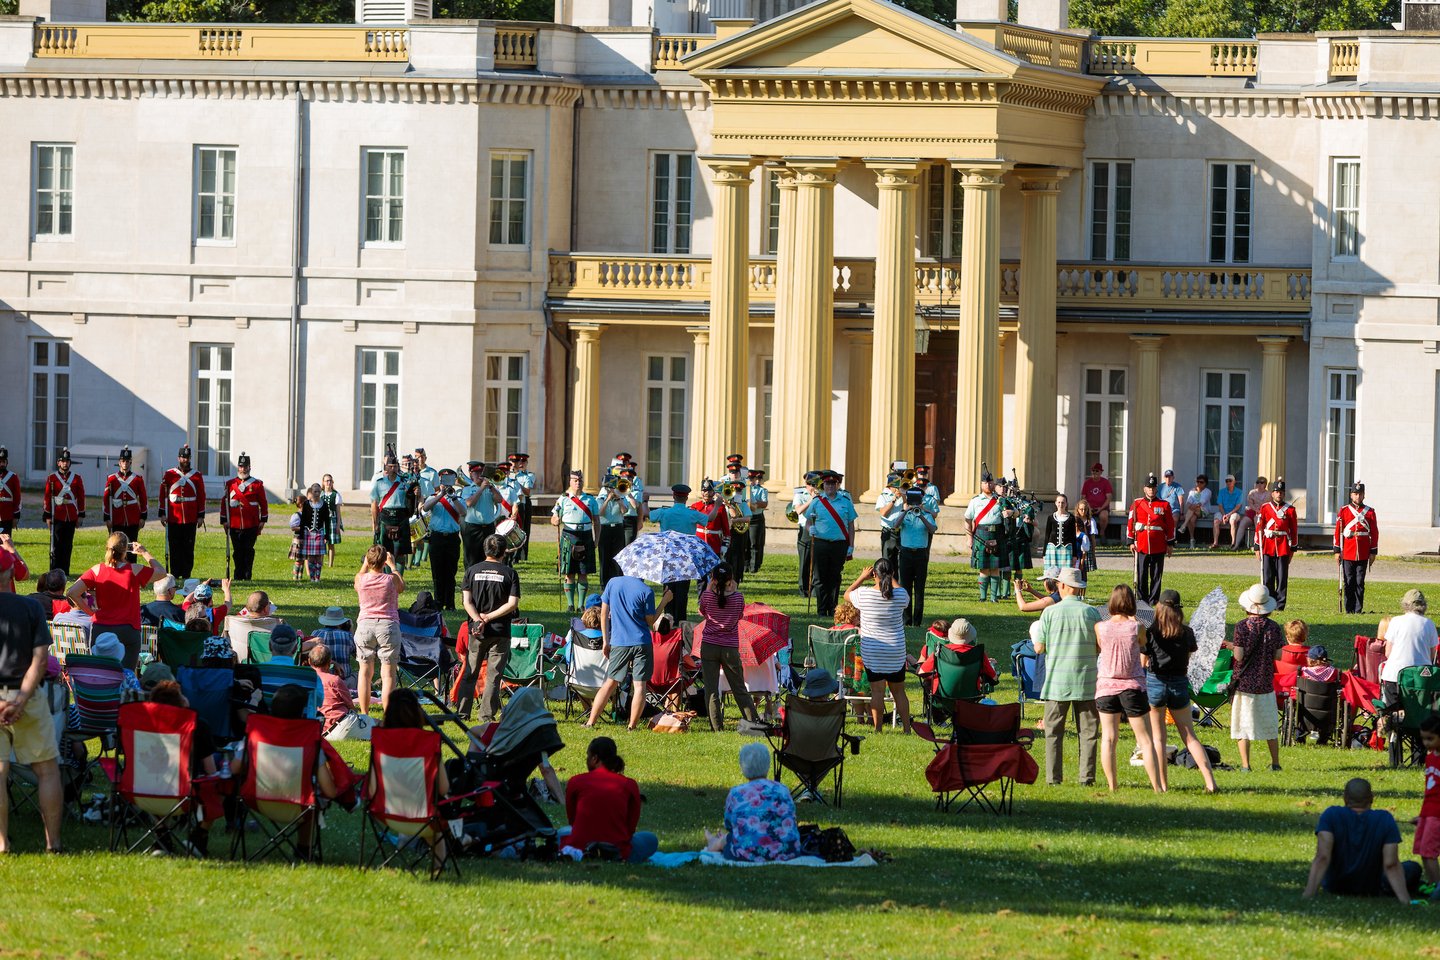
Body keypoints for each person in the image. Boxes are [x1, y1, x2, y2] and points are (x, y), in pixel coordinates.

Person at [0, 557, 62, 854]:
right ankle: (53, 843)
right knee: (47, 770)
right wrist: (21, 699)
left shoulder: (30, 606)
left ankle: (2, 843)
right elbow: (40, 660)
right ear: (11, 572)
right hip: (29, 697)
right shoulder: (30, 607)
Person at [1141, 589, 1217, 793]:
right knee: (1189, 736)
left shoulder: (1151, 632)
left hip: (1156, 682)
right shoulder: (1187, 632)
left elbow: (1144, 660)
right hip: (1179, 683)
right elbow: (1190, 654)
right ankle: (1210, 782)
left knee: (1158, 738)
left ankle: (1162, 786)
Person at [1303, 778, 1421, 904]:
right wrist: (1405, 900)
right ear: (1371, 798)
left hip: (1335, 886)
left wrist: (1308, 894)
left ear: (1345, 798)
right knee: (1413, 867)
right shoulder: (1384, 819)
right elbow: (1391, 864)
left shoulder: (1330, 815)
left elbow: (1322, 857)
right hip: (1371, 887)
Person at [1034, 568, 1102, 786]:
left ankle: (1053, 779)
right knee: (1089, 732)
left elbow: (1039, 647)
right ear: (1079, 588)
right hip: (1086, 680)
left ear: (1062, 586)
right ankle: (1087, 778)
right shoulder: (1092, 613)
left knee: (1053, 732)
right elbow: (1100, 647)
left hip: (1057, 681)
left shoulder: (1050, 613)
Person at [1095, 584, 1162, 793]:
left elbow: (1099, 647)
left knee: (1108, 737)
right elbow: (1142, 643)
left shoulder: (1100, 626)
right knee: (1145, 739)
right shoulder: (1137, 627)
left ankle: (1112, 785)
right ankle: (1157, 786)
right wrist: (1133, 622)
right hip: (1132, 684)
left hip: (1106, 684)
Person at [67, 532, 166, 671]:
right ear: (125, 550)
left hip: (101, 628)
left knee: (101, 673)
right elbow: (161, 572)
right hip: (128, 629)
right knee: (126, 674)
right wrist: (144, 553)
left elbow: (72, 592)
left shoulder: (97, 570)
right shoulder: (134, 570)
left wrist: (90, 612)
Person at [144, 679, 222, 855]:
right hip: (186, 796)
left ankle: (162, 835)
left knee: (154, 780)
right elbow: (211, 771)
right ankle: (199, 836)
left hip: (145, 792)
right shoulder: (197, 725)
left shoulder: (144, 726)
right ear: (181, 703)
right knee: (220, 784)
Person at [586, 575, 670, 731]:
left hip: (619, 642)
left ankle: (591, 722)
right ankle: (632, 726)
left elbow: (604, 613)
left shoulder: (612, 582)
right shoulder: (647, 591)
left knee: (610, 683)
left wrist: (606, 640)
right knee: (639, 686)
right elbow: (650, 622)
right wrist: (664, 601)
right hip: (641, 642)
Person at [457, 534, 521, 724]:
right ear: (504, 552)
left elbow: (466, 601)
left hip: (477, 630)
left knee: (470, 671)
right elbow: (513, 604)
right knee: (494, 675)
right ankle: (486, 715)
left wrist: (478, 619)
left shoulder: (472, 571)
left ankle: (462, 712)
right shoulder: (510, 573)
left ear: (485, 550)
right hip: (500, 631)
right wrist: (490, 617)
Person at [561, 736, 657, 863]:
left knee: (561, 832)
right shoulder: (629, 784)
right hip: (617, 850)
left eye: (588, 756)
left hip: (580, 847)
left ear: (594, 758)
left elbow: (572, 821)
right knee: (650, 839)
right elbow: (630, 828)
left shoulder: (575, 781)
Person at [843, 558, 911, 733]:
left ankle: (878, 729)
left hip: (872, 650)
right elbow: (900, 590)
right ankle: (907, 729)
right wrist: (892, 576)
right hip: (895, 651)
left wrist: (861, 577)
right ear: (893, 573)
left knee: (877, 692)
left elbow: (846, 594)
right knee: (899, 693)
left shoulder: (864, 594)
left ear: (874, 574)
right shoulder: (901, 595)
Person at [704, 741, 800, 863]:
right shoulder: (782, 789)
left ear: (743, 767)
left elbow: (729, 824)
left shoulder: (737, 793)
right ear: (767, 765)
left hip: (748, 854)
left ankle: (714, 843)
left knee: (728, 840)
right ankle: (718, 841)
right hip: (788, 851)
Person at [1223, 583, 1285, 772]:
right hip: (1265, 681)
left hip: (1245, 683)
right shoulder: (1274, 627)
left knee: (1243, 726)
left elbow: (1240, 656)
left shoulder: (1242, 626)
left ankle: (1245, 765)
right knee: (1270, 725)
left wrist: (1231, 646)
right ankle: (1275, 763)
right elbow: (1279, 656)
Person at [696, 564, 758, 733]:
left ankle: (716, 727)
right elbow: (739, 616)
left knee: (711, 689)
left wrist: (709, 586)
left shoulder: (707, 596)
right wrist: (735, 589)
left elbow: (702, 610)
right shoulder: (738, 598)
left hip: (709, 646)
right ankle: (752, 722)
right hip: (730, 648)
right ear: (731, 580)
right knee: (739, 688)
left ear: (714, 579)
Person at [354, 545, 404, 714]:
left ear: (368, 561)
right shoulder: (391, 579)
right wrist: (393, 566)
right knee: (388, 674)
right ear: (384, 561)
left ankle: (364, 713)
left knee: (364, 673)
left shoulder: (361, 579)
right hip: (388, 625)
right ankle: (388, 714)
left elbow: (359, 577)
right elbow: (401, 587)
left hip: (365, 626)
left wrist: (366, 563)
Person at [647, 484, 707, 623]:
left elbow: (649, 515)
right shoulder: (692, 513)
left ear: (673, 496)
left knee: (668, 589)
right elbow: (708, 519)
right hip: (685, 558)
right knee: (682, 591)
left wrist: (644, 501)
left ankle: (668, 619)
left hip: (667, 556)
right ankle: (681, 620)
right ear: (686, 498)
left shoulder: (664, 512)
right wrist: (716, 505)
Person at [802, 471, 855, 618]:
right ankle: (821, 609)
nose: (830, 486)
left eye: (833, 484)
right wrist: (809, 529)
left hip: (839, 544)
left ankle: (833, 609)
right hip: (820, 543)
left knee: (834, 577)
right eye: (827, 484)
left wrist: (851, 545)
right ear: (823, 485)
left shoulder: (845, 501)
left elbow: (851, 525)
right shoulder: (817, 501)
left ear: (837, 485)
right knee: (819, 578)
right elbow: (807, 522)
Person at [552, 471, 600, 615]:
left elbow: (597, 522)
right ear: (570, 481)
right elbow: (554, 517)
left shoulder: (591, 500)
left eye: (580, 480)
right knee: (569, 572)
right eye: (575, 480)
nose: (578, 482)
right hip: (568, 536)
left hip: (585, 535)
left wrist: (596, 540)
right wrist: (555, 520)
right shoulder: (562, 499)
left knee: (583, 572)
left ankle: (581, 605)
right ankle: (570, 604)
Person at [1380, 589, 1438, 708]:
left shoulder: (1396, 621)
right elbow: (1432, 655)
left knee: (1393, 713)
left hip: (1394, 675)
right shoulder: (1429, 624)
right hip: (1420, 678)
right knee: (1417, 714)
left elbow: (1388, 652)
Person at [157, 444, 205, 581]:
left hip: (190, 517)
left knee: (188, 547)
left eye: (187, 457)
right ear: (178, 458)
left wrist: (200, 515)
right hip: (174, 517)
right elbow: (163, 495)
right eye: (183, 457)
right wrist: (162, 513)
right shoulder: (169, 474)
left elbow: (201, 496)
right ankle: (175, 573)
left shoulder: (196, 476)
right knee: (174, 546)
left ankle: (186, 574)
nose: (185, 460)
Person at [1126, 473, 1175, 606]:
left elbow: (1170, 525)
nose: (1151, 490)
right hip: (1141, 544)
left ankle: (1153, 600)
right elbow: (1131, 522)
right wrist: (1130, 541)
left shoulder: (1164, 505)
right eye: (1149, 487)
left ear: (1156, 489)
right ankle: (1142, 600)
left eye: (1153, 488)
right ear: (1144, 489)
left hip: (1158, 545)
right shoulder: (1137, 504)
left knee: (1156, 575)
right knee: (1141, 574)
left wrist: (1170, 543)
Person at [220, 452, 267, 581]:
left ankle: (247, 575)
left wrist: (263, 519)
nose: (243, 469)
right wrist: (224, 520)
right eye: (241, 466)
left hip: (251, 524)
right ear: (238, 468)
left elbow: (263, 503)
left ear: (249, 467)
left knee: (248, 550)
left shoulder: (257, 484)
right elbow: (224, 503)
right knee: (237, 552)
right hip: (234, 524)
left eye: (245, 466)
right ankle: (238, 574)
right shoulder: (230, 484)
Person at [1334, 481, 1378, 614]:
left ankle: (1358, 609)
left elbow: (1374, 533)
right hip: (1348, 551)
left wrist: (1373, 551)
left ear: (1363, 496)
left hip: (1363, 551)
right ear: (1351, 495)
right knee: (1349, 581)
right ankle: (1349, 608)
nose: (1357, 497)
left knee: (1360, 581)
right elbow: (1338, 531)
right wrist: (1337, 550)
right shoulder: (1344, 511)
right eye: (1355, 494)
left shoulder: (1370, 512)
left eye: (1360, 494)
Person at [370, 454, 417, 575]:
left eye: (395, 466)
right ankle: (386, 577)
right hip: (385, 517)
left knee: (401, 552)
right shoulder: (379, 483)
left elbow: (412, 499)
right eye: (390, 466)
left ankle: (398, 578)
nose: (393, 469)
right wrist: (375, 524)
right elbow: (374, 504)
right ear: (386, 467)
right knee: (385, 552)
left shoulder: (404, 482)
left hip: (401, 517)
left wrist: (414, 492)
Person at [310, 644, 369, 741]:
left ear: (309, 662)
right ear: (330, 663)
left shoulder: (306, 679)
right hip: (339, 726)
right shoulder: (334, 680)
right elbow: (350, 705)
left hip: (317, 729)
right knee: (372, 722)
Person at [897, 487, 937, 626]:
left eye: (917, 502)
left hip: (920, 554)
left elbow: (933, 529)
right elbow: (895, 525)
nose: (915, 505)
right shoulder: (904, 513)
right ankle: (907, 621)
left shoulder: (926, 514)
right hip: (906, 554)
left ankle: (917, 622)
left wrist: (921, 514)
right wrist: (906, 510)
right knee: (905, 589)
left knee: (919, 589)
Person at [1256, 479, 1298, 610]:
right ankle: (1269, 602)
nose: (1279, 494)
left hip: (1283, 546)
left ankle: (1280, 604)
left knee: (1281, 577)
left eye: (1281, 492)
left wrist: (1293, 548)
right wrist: (1257, 546)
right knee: (1268, 577)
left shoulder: (1290, 510)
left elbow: (1294, 530)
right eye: (1276, 492)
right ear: (1272, 493)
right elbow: (1259, 527)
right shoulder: (1265, 508)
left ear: (1284, 494)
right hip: (1268, 545)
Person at [42, 447, 84, 576]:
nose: (65, 463)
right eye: (63, 461)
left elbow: (81, 497)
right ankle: (55, 570)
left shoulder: (76, 478)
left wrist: (80, 514)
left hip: (70, 515)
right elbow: (48, 497)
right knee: (56, 545)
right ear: (58, 463)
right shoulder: (52, 478)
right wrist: (48, 515)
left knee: (67, 546)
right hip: (57, 515)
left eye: (67, 461)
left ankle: (65, 571)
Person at [965, 468, 1005, 602]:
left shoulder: (1000, 500)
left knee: (995, 568)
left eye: (990, 483)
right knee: (983, 568)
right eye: (985, 483)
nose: (988, 485)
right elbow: (968, 519)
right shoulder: (975, 500)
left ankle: (994, 597)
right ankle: (983, 597)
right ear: (981, 485)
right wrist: (969, 538)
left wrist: (1011, 513)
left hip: (997, 534)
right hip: (980, 535)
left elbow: (1014, 512)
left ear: (993, 484)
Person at [1412, 717, 1440, 891]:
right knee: (1422, 851)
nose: (1426, 743)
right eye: (1423, 738)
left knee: (1429, 852)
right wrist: (1422, 816)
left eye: (1430, 738)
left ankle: (1438, 888)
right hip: (1427, 812)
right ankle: (1431, 884)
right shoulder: (1430, 758)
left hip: (1437, 815)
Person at [102, 446, 148, 545]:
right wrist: (107, 517)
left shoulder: (138, 479)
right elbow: (106, 499)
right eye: (123, 461)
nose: (125, 464)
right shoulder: (112, 479)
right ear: (119, 462)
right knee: (118, 546)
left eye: (127, 461)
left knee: (132, 547)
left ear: (130, 462)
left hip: (133, 518)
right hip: (117, 518)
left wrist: (143, 517)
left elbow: (143, 499)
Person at [595, 477, 632, 586]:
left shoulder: (621, 497)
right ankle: (604, 583)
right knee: (604, 557)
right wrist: (607, 500)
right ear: (606, 489)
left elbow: (625, 511)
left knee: (617, 556)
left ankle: (617, 581)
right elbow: (600, 513)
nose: (613, 490)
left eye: (614, 488)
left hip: (618, 528)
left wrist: (619, 500)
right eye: (610, 488)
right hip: (605, 528)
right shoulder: (600, 499)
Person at [291, 484, 331, 583]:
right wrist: (301, 535)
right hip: (308, 533)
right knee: (310, 556)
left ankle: (317, 577)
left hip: (320, 532)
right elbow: (303, 520)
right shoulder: (307, 504)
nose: (317, 494)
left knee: (318, 556)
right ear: (311, 492)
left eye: (318, 492)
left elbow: (327, 521)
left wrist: (327, 535)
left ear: (321, 492)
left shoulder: (324, 504)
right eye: (315, 492)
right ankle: (312, 577)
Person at [789, 471, 820, 599]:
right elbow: (799, 510)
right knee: (805, 560)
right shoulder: (800, 494)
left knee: (817, 561)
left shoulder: (822, 495)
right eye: (809, 484)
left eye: (814, 484)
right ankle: (803, 589)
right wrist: (812, 500)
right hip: (805, 530)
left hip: (819, 529)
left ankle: (814, 589)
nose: (812, 487)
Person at [721, 455, 751, 581]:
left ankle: (737, 577)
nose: (737, 493)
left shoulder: (743, 502)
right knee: (728, 554)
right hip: (728, 533)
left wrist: (735, 521)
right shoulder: (725, 503)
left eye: (739, 491)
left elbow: (748, 518)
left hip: (739, 532)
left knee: (739, 554)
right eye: (732, 472)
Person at [312, 605, 357, 682]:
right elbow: (357, 655)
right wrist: (351, 631)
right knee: (361, 675)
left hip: (321, 679)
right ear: (341, 623)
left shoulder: (315, 634)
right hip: (343, 680)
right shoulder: (347, 636)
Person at [507, 453, 537, 560]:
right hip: (507, 505)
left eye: (518, 462)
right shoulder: (506, 475)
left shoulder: (526, 476)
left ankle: (519, 555)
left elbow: (527, 492)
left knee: (521, 529)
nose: (516, 464)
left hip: (521, 503)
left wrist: (517, 484)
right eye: (513, 462)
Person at [874, 472, 905, 573]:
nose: (900, 486)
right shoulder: (883, 496)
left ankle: (899, 586)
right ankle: (887, 584)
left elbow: (907, 509)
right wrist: (894, 499)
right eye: (898, 483)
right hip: (889, 532)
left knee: (901, 562)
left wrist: (904, 497)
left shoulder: (904, 495)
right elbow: (883, 513)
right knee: (887, 561)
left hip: (902, 532)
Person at [1043, 494, 1078, 572]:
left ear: (1066, 504)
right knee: (1051, 574)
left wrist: (1075, 555)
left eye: (1063, 502)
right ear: (1055, 503)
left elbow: (1073, 537)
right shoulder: (1051, 517)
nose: (1061, 504)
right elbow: (1047, 535)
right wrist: (1044, 554)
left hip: (1067, 549)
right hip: (1052, 548)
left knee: (1065, 574)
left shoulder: (1071, 518)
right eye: (1059, 502)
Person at [1079, 462, 1113, 543]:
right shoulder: (1087, 483)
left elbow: (1109, 498)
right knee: (1082, 517)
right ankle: (1085, 535)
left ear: (1101, 472)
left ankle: (1102, 533)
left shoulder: (1105, 482)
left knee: (1104, 516)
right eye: (1093, 471)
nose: (1095, 473)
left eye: (1097, 471)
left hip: (1102, 507)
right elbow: (1083, 497)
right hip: (1089, 507)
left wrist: (1101, 508)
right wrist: (1088, 507)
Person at [1181, 474, 1215, 548]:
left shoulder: (1207, 492)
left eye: (1201, 482)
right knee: (1192, 519)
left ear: (1205, 483)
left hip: (1204, 511)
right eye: (1197, 482)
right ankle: (1192, 539)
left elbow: (1201, 503)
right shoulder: (1192, 491)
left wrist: (1193, 506)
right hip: (1193, 512)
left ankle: (1184, 525)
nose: (1199, 483)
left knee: (1193, 509)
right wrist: (1192, 506)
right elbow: (1188, 503)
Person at [745, 467, 768, 574]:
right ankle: (745, 565)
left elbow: (764, 503)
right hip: (745, 518)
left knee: (754, 543)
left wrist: (753, 503)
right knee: (745, 543)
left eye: (752, 478)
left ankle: (754, 566)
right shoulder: (743, 489)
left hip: (755, 518)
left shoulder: (761, 490)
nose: (750, 480)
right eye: (749, 478)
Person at [1211, 475, 1244, 548]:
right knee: (1216, 521)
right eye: (1227, 481)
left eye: (1230, 480)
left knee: (1233, 521)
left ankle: (1233, 543)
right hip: (1223, 512)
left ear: (1234, 481)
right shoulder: (1221, 491)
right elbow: (1220, 505)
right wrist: (1224, 515)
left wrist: (1228, 515)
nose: (1228, 482)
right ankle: (1215, 543)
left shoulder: (1239, 492)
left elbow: (1238, 506)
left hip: (1234, 512)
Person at [319, 473, 344, 568]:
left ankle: (330, 564)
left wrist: (338, 524)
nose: (328, 483)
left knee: (331, 544)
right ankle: (320, 563)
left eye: (330, 481)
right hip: (322, 520)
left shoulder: (335, 494)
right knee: (322, 543)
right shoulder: (320, 494)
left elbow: (338, 511)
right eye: (326, 481)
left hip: (332, 520)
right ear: (323, 482)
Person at [1239, 476, 1269, 549]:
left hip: (1263, 513)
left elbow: (1265, 504)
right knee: (1243, 522)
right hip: (1253, 511)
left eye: (1261, 482)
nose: (1259, 484)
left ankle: (1258, 543)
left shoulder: (1268, 494)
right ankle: (1236, 544)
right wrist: (1256, 509)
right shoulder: (1252, 492)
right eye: (1257, 482)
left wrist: (1255, 499)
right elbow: (1250, 504)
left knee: (1257, 520)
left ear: (1265, 484)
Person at [1072, 499, 1099, 574]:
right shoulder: (1074, 520)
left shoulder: (1091, 521)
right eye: (1081, 509)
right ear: (1078, 509)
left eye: (1085, 509)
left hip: (1086, 546)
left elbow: (1093, 539)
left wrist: (1093, 553)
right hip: (1076, 545)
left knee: (1083, 567)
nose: (1083, 511)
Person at [0, 446, 20, 536]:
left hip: (7, 515)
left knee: (7, 542)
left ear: (6, 463)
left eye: (3, 462)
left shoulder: (13, 477)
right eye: (0, 462)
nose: (2, 464)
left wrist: (16, 515)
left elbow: (17, 497)